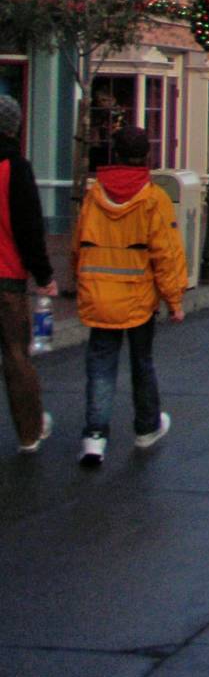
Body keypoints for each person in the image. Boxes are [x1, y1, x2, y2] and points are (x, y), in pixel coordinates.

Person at [74, 125, 186, 465]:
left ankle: (95, 436)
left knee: (101, 366)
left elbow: (78, 244)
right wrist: (174, 300)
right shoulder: (154, 198)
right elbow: (166, 254)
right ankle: (146, 426)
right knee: (142, 362)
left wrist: (76, 282)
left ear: (115, 155)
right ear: (146, 157)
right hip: (138, 295)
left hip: (99, 293)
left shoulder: (94, 195)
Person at [0, 94, 56, 453]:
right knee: (16, 355)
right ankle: (30, 431)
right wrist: (44, 275)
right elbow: (28, 228)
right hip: (7, 278)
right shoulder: (15, 169)